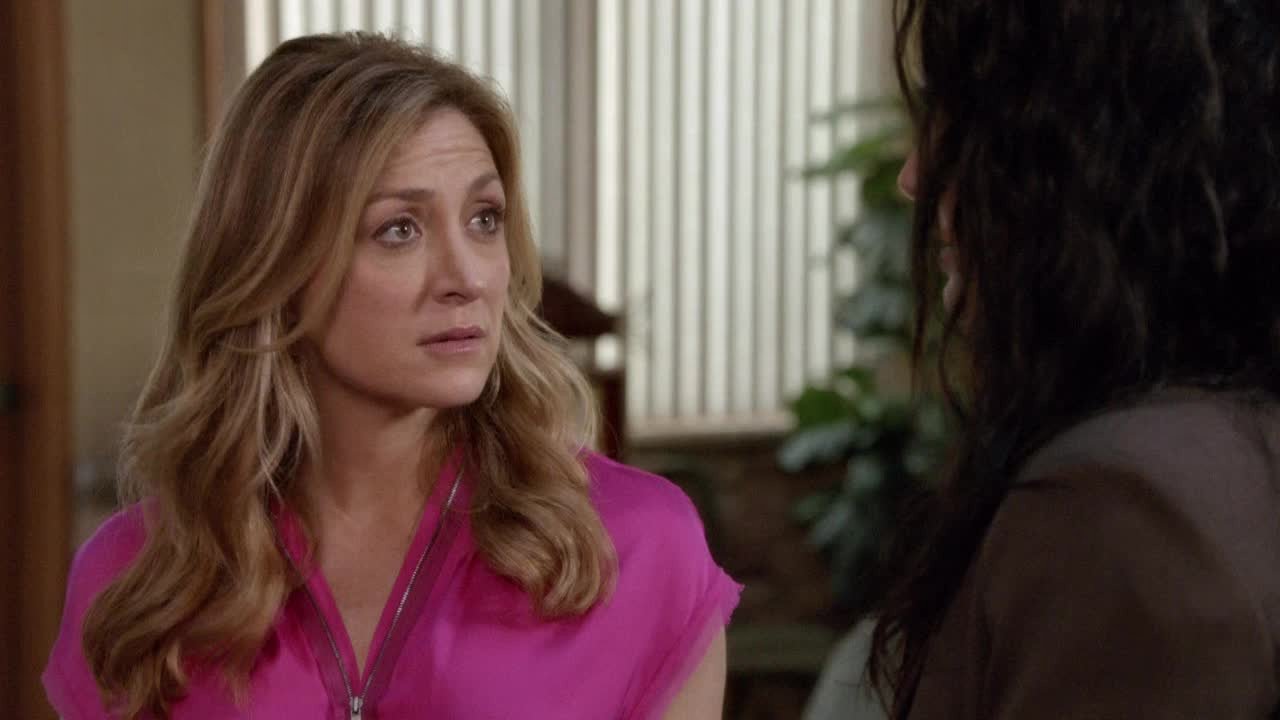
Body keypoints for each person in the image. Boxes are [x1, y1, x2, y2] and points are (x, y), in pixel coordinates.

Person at [44, 33, 739, 720]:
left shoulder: (639, 547)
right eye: (399, 229)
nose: (467, 277)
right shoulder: (137, 583)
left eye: (484, 219)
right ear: (277, 264)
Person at [870, 1, 1280, 717]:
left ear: (1088, 157)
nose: (916, 175)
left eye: (964, 119)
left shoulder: (1121, 511)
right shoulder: (1226, 440)